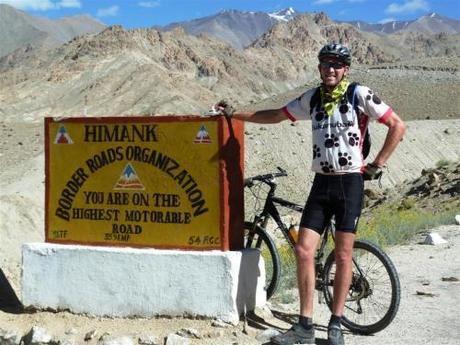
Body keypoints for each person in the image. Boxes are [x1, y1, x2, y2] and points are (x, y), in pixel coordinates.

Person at [216, 43, 406, 345]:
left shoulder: (359, 93)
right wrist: (235, 114)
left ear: (345, 69)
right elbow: (277, 114)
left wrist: (378, 163)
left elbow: (397, 124)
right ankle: (304, 325)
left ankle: (336, 324)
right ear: (319, 68)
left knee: (343, 254)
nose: (331, 69)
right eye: (326, 64)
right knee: (304, 250)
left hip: (350, 183)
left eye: (337, 64)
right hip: (321, 183)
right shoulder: (313, 98)